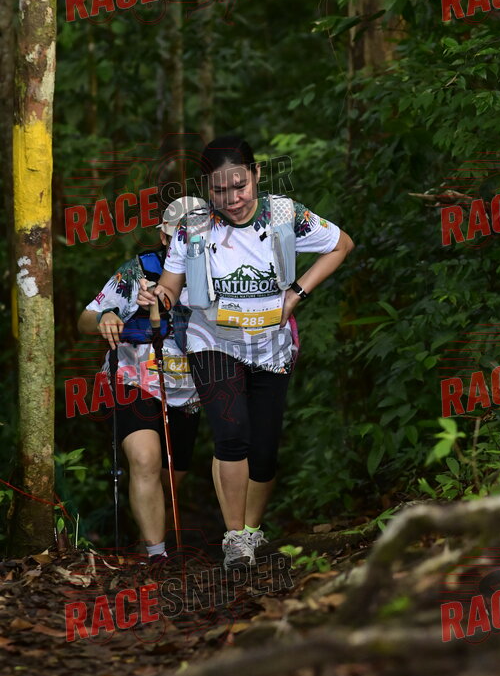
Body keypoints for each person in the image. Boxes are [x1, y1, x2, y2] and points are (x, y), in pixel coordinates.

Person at [137, 136, 354, 569]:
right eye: (220, 190)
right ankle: (235, 538)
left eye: (240, 186)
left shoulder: (285, 216)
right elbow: (171, 287)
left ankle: (252, 530)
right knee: (231, 433)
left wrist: (296, 294)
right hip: (212, 340)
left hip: (270, 345)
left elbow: (341, 245)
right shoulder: (194, 227)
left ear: (256, 175)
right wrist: (155, 296)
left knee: (264, 449)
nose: (232, 199)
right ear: (207, 188)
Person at [78, 202, 200, 564]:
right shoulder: (138, 272)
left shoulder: (221, 271)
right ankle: (156, 557)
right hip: (134, 378)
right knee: (145, 459)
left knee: (169, 479)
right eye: (179, 237)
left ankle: (145, 539)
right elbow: (85, 319)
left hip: (188, 392)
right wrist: (106, 315)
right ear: (164, 237)